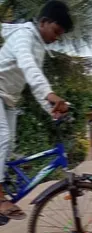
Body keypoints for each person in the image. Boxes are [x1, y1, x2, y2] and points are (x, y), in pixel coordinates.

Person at [0, 0, 73, 220]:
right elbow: (28, 67)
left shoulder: (38, 47)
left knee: (9, 143)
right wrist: (50, 95)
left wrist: (52, 108)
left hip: (8, 98)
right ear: (43, 22)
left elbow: (35, 84)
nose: (57, 37)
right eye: (56, 31)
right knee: (2, 137)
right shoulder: (23, 35)